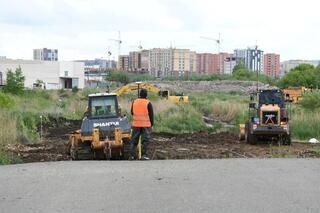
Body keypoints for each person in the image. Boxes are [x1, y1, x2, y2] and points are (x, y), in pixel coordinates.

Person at [130, 89, 154, 160]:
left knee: (134, 141)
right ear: (146, 95)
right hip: (145, 125)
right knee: (145, 141)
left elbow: (132, 112)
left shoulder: (134, 101)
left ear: (140, 94)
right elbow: (151, 115)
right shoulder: (148, 103)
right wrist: (151, 124)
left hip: (136, 125)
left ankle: (132, 156)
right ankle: (144, 155)